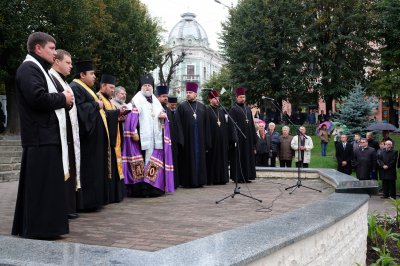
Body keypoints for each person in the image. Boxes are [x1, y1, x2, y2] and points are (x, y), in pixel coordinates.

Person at [12, 32, 73, 239]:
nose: (55, 53)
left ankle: (42, 227)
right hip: (40, 138)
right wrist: (62, 99)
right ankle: (41, 228)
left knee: (45, 187)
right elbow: (37, 98)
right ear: (38, 48)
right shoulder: (28, 68)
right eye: (52, 48)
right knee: (41, 188)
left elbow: (51, 97)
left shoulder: (40, 69)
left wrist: (65, 100)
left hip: (46, 136)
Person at [123, 75, 175, 196]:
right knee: (142, 164)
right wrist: (134, 132)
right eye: (145, 85)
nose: (147, 88)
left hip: (154, 139)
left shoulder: (156, 101)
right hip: (140, 139)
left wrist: (163, 116)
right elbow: (131, 118)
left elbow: (161, 113)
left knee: (153, 163)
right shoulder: (136, 99)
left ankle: (153, 188)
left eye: (149, 86)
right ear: (141, 87)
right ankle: (141, 190)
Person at [70, 60, 109, 210]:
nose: (94, 77)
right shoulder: (75, 87)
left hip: (94, 140)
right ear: (82, 74)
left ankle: (95, 201)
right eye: (92, 74)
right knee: (89, 170)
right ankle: (88, 202)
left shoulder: (86, 88)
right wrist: (96, 105)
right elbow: (79, 111)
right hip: (88, 141)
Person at [49, 49, 81, 219]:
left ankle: (69, 207)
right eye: (67, 63)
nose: (71, 66)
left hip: (69, 132)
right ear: (57, 62)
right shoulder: (51, 78)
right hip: (60, 132)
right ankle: (64, 207)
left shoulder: (63, 81)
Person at [174, 82, 210, 187]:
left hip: (200, 140)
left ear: (196, 94)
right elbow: (178, 124)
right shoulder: (181, 107)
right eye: (187, 92)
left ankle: (200, 181)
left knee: (200, 159)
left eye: (190, 92)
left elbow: (207, 126)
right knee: (188, 160)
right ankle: (188, 182)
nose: (188, 94)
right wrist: (181, 140)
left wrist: (207, 141)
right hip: (187, 140)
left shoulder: (202, 107)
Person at [97, 74, 125, 203]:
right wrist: (116, 114)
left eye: (114, 88)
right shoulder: (98, 98)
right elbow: (101, 117)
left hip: (115, 139)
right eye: (111, 87)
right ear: (103, 86)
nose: (113, 90)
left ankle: (115, 195)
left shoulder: (109, 100)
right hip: (106, 140)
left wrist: (119, 117)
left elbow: (111, 116)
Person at [228, 87, 257, 183]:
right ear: (236, 98)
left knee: (248, 157)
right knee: (239, 158)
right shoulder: (233, 109)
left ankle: (247, 176)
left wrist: (254, 139)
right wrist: (234, 138)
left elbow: (252, 124)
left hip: (248, 139)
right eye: (240, 97)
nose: (242, 99)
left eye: (244, 97)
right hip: (239, 139)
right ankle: (238, 177)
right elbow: (231, 125)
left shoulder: (248, 109)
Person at [156, 85, 182, 188]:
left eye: (166, 96)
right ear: (158, 97)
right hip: (159, 142)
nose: (165, 98)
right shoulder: (155, 108)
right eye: (163, 96)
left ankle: (171, 183)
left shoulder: (167, 110)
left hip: (169, 142)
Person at [205, 89, 230, 185]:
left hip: (222, 141)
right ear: (210, 100)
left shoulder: (221, 111)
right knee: (212, 160)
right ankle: (212, 179)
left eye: (218, 98)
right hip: (212, 140)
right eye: (215, 98)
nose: (217, 100)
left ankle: (222, 179)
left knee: (222, 159)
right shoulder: (207, 110)